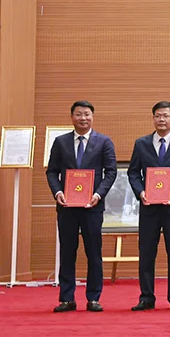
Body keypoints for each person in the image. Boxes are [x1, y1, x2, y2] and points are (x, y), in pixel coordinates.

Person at [46, 101, 117, 313]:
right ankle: (67, 298)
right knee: (68, 252)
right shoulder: (60, 142)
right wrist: (58, 192)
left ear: (92, 116)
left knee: (94, 252)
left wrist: (98, 194)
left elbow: (111, 172)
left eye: (86, 114)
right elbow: (52, 171)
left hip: (92, 206)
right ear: (72, 117)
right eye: (78, 114)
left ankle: (94, 298)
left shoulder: (104, 141)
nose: (83, 118)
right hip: (67, 206)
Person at [128, 101, 170, 311]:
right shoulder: (141, 143)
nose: (162, 120)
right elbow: (133, 172)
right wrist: (141, 193)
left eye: (166, 116)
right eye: (158, 116)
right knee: (147, 252)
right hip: (149, 207)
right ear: (153, 118)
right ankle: (146, 296)